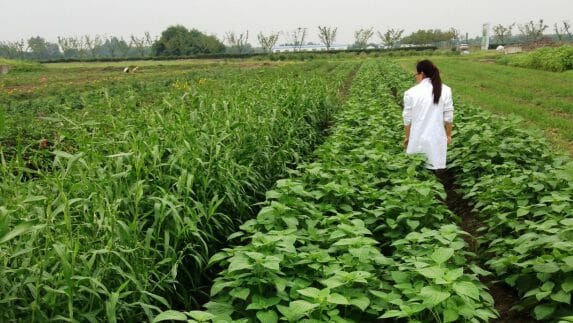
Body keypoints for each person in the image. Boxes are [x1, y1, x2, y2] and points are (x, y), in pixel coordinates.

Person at [402, 59, 454, 170]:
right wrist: (448, 135)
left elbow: (407, 119)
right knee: (434, 167)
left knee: (417, 169)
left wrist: (407, 137)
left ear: (421, 74)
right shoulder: (446, 90)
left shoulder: (410, 92)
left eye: (416, 74)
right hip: (437, 137)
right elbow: (448, 117)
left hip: (417, 137)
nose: (416, 77)